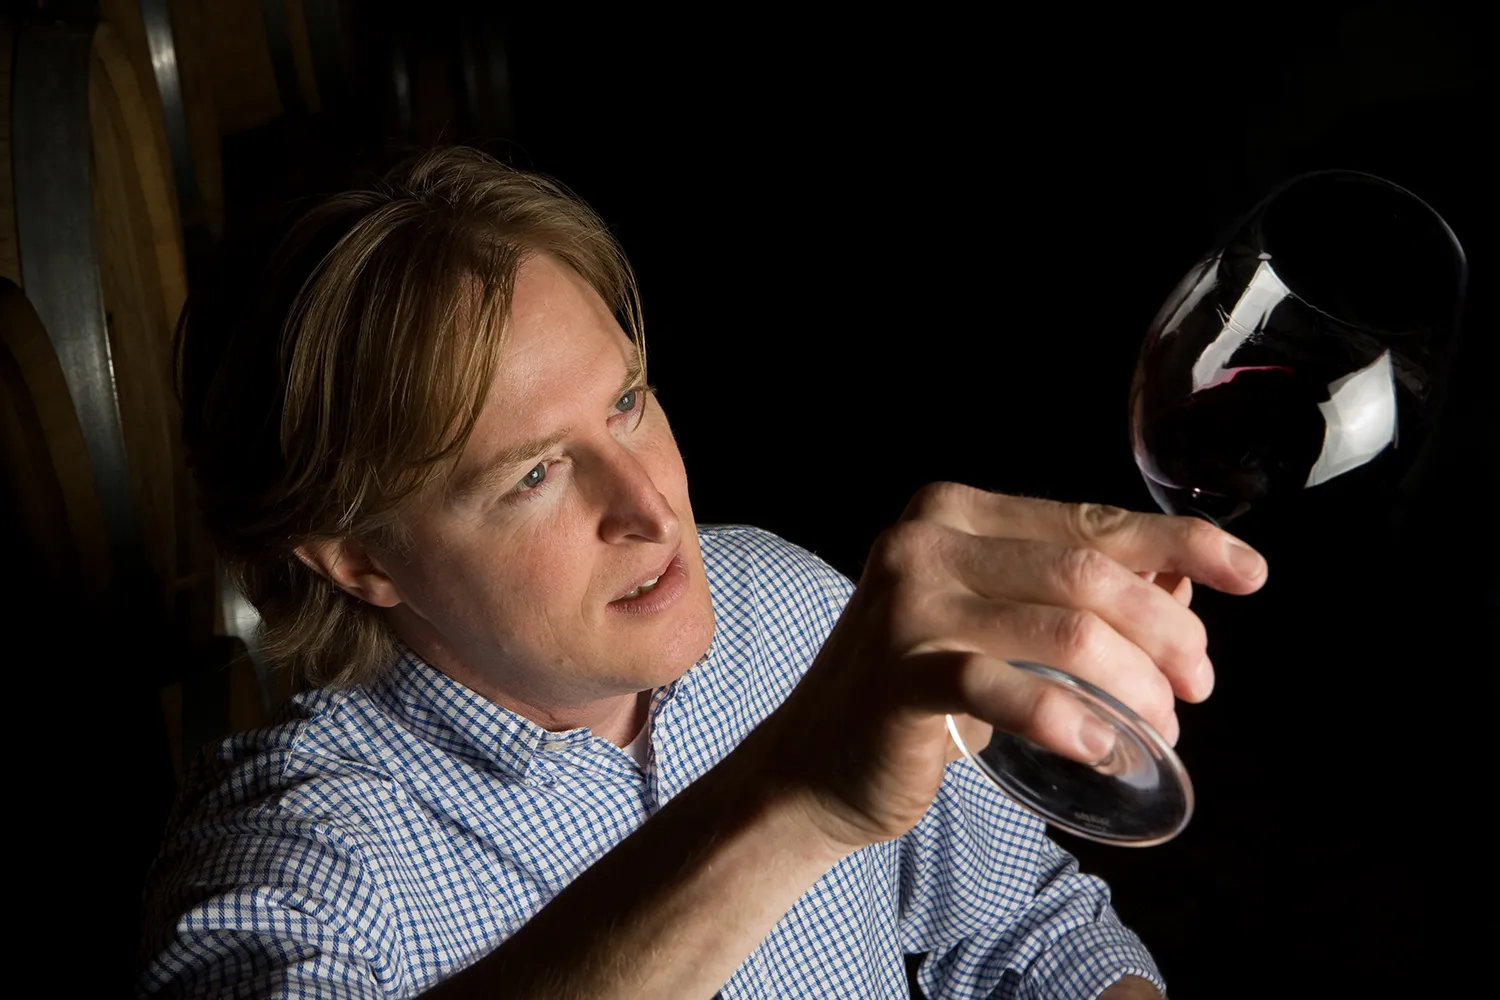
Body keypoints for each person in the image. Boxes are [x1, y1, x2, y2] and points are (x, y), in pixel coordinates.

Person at [137, 147, 1268, 999]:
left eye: (627, 402)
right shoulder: (303, 856)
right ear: (359, 556)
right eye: (533, 474)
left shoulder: (785, 604)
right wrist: (799, 800)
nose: (648, 506)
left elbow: (1027, 926)